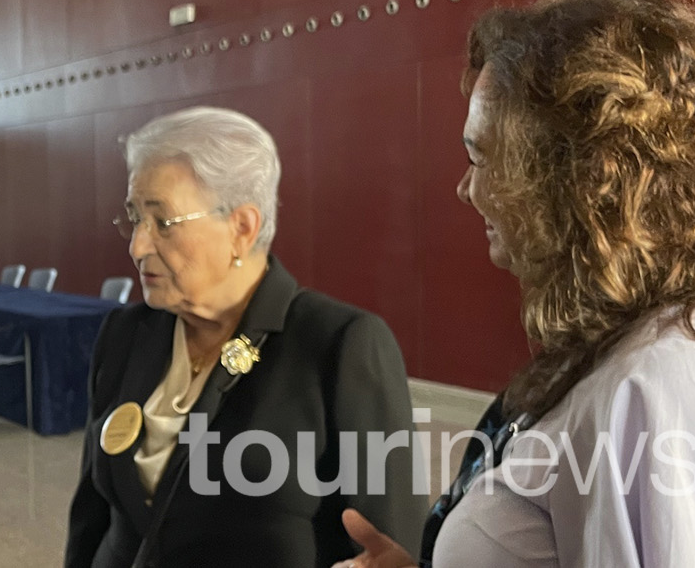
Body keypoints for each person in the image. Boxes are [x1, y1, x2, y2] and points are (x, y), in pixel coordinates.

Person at [335, 0, 695, 567]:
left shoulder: (663, 378)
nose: (466, 190)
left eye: (482, 158)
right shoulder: (627, 344)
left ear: (580, 178)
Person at [66, 107, 426, 567]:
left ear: (242, 227)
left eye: (162, 222)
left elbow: (388, 548)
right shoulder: (126, 333)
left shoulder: (338, 345)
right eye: (135, 218)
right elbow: (91, 517)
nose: (138, 245)